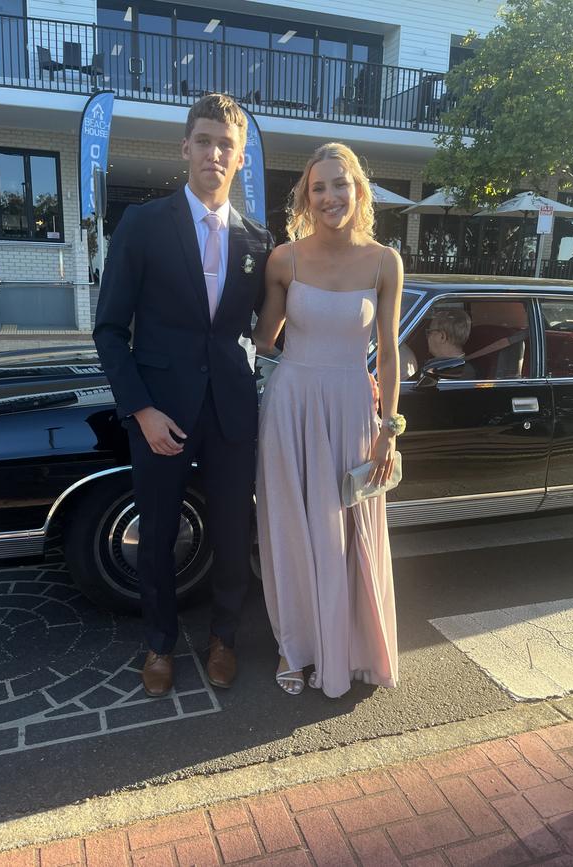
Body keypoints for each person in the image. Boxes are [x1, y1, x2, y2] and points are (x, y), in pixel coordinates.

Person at [93, 94, 272, 698]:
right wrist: (140, 409)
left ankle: (224, 636)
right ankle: (160, 644)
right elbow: (110, 329)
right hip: (159, 414)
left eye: (227, 145)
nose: (214, 153)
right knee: (158, 532)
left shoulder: (258, 242)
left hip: (230, 412)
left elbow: (269, 332)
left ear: (241, 158)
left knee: (229, 530)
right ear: (185, 148)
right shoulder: (142, 225)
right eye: (204, 141)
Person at [253, 143, 404, 699]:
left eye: (340, 184)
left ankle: (351, 647)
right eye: (319, 187)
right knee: (293, 529)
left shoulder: (385, 261)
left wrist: (389, 427)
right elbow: (264, 340)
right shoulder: (284, 260)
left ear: (357, 189)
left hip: (352, 410)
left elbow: (387, 353)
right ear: (306, 196)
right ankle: (298, 647)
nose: (330, 196)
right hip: (291, 406)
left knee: (348, 533)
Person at [425, 309, 477, 379]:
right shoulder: (456, 367)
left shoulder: (458, 371)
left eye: (429, 332)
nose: (428, 337)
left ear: (442, 336)